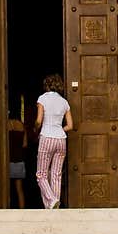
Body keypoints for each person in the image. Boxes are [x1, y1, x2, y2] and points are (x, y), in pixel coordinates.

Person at [34, 73, 73, 209]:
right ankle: (53, 207)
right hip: (61, 139)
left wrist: (35, 129)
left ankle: (51, 200)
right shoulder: (64, 102)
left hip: (46, 137)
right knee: (56, 174)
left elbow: (39, 121)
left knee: (41, 174)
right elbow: (70, 125)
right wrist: (60, 129)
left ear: (47, 85)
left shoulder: (42, 99)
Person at [8, 108, 28, 209]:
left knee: (6, 189)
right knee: (19, 189)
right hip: (19, 159)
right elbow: (25, 144)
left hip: (7, 160)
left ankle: (6, 208)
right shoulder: (22, 126)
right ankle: (22, 210)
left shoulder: (5, 125)